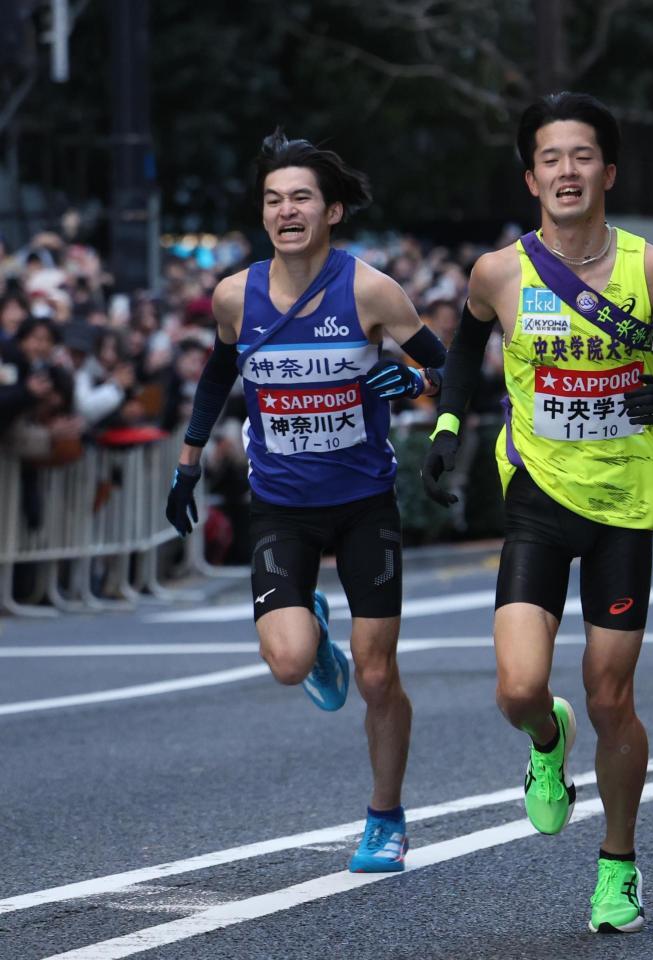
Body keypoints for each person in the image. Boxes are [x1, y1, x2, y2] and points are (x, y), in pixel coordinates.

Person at [422, 92, 653, 933]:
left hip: (623, 506)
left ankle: (618, 867)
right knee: (520, 686)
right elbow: (463, 352)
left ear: (607, 170)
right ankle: (544, 739)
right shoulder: (499, 272)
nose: (568, 171)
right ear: (532, 176)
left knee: (611, 699)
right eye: (551, 158)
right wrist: (450, 426)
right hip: (535, 498)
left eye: (582, 156)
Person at [166, 131, 447, 873]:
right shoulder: (236, 295)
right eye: (273, 200)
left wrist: (413, 383)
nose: (286, 211)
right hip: (281, 506)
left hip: (363, 502)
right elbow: (218, 376)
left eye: (301, 199)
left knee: (378, 675)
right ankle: (314, 637)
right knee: (290, 663)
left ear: (332, 211)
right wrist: (188, 463)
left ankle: (385, 819)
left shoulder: (371, 291)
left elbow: (449, 372)